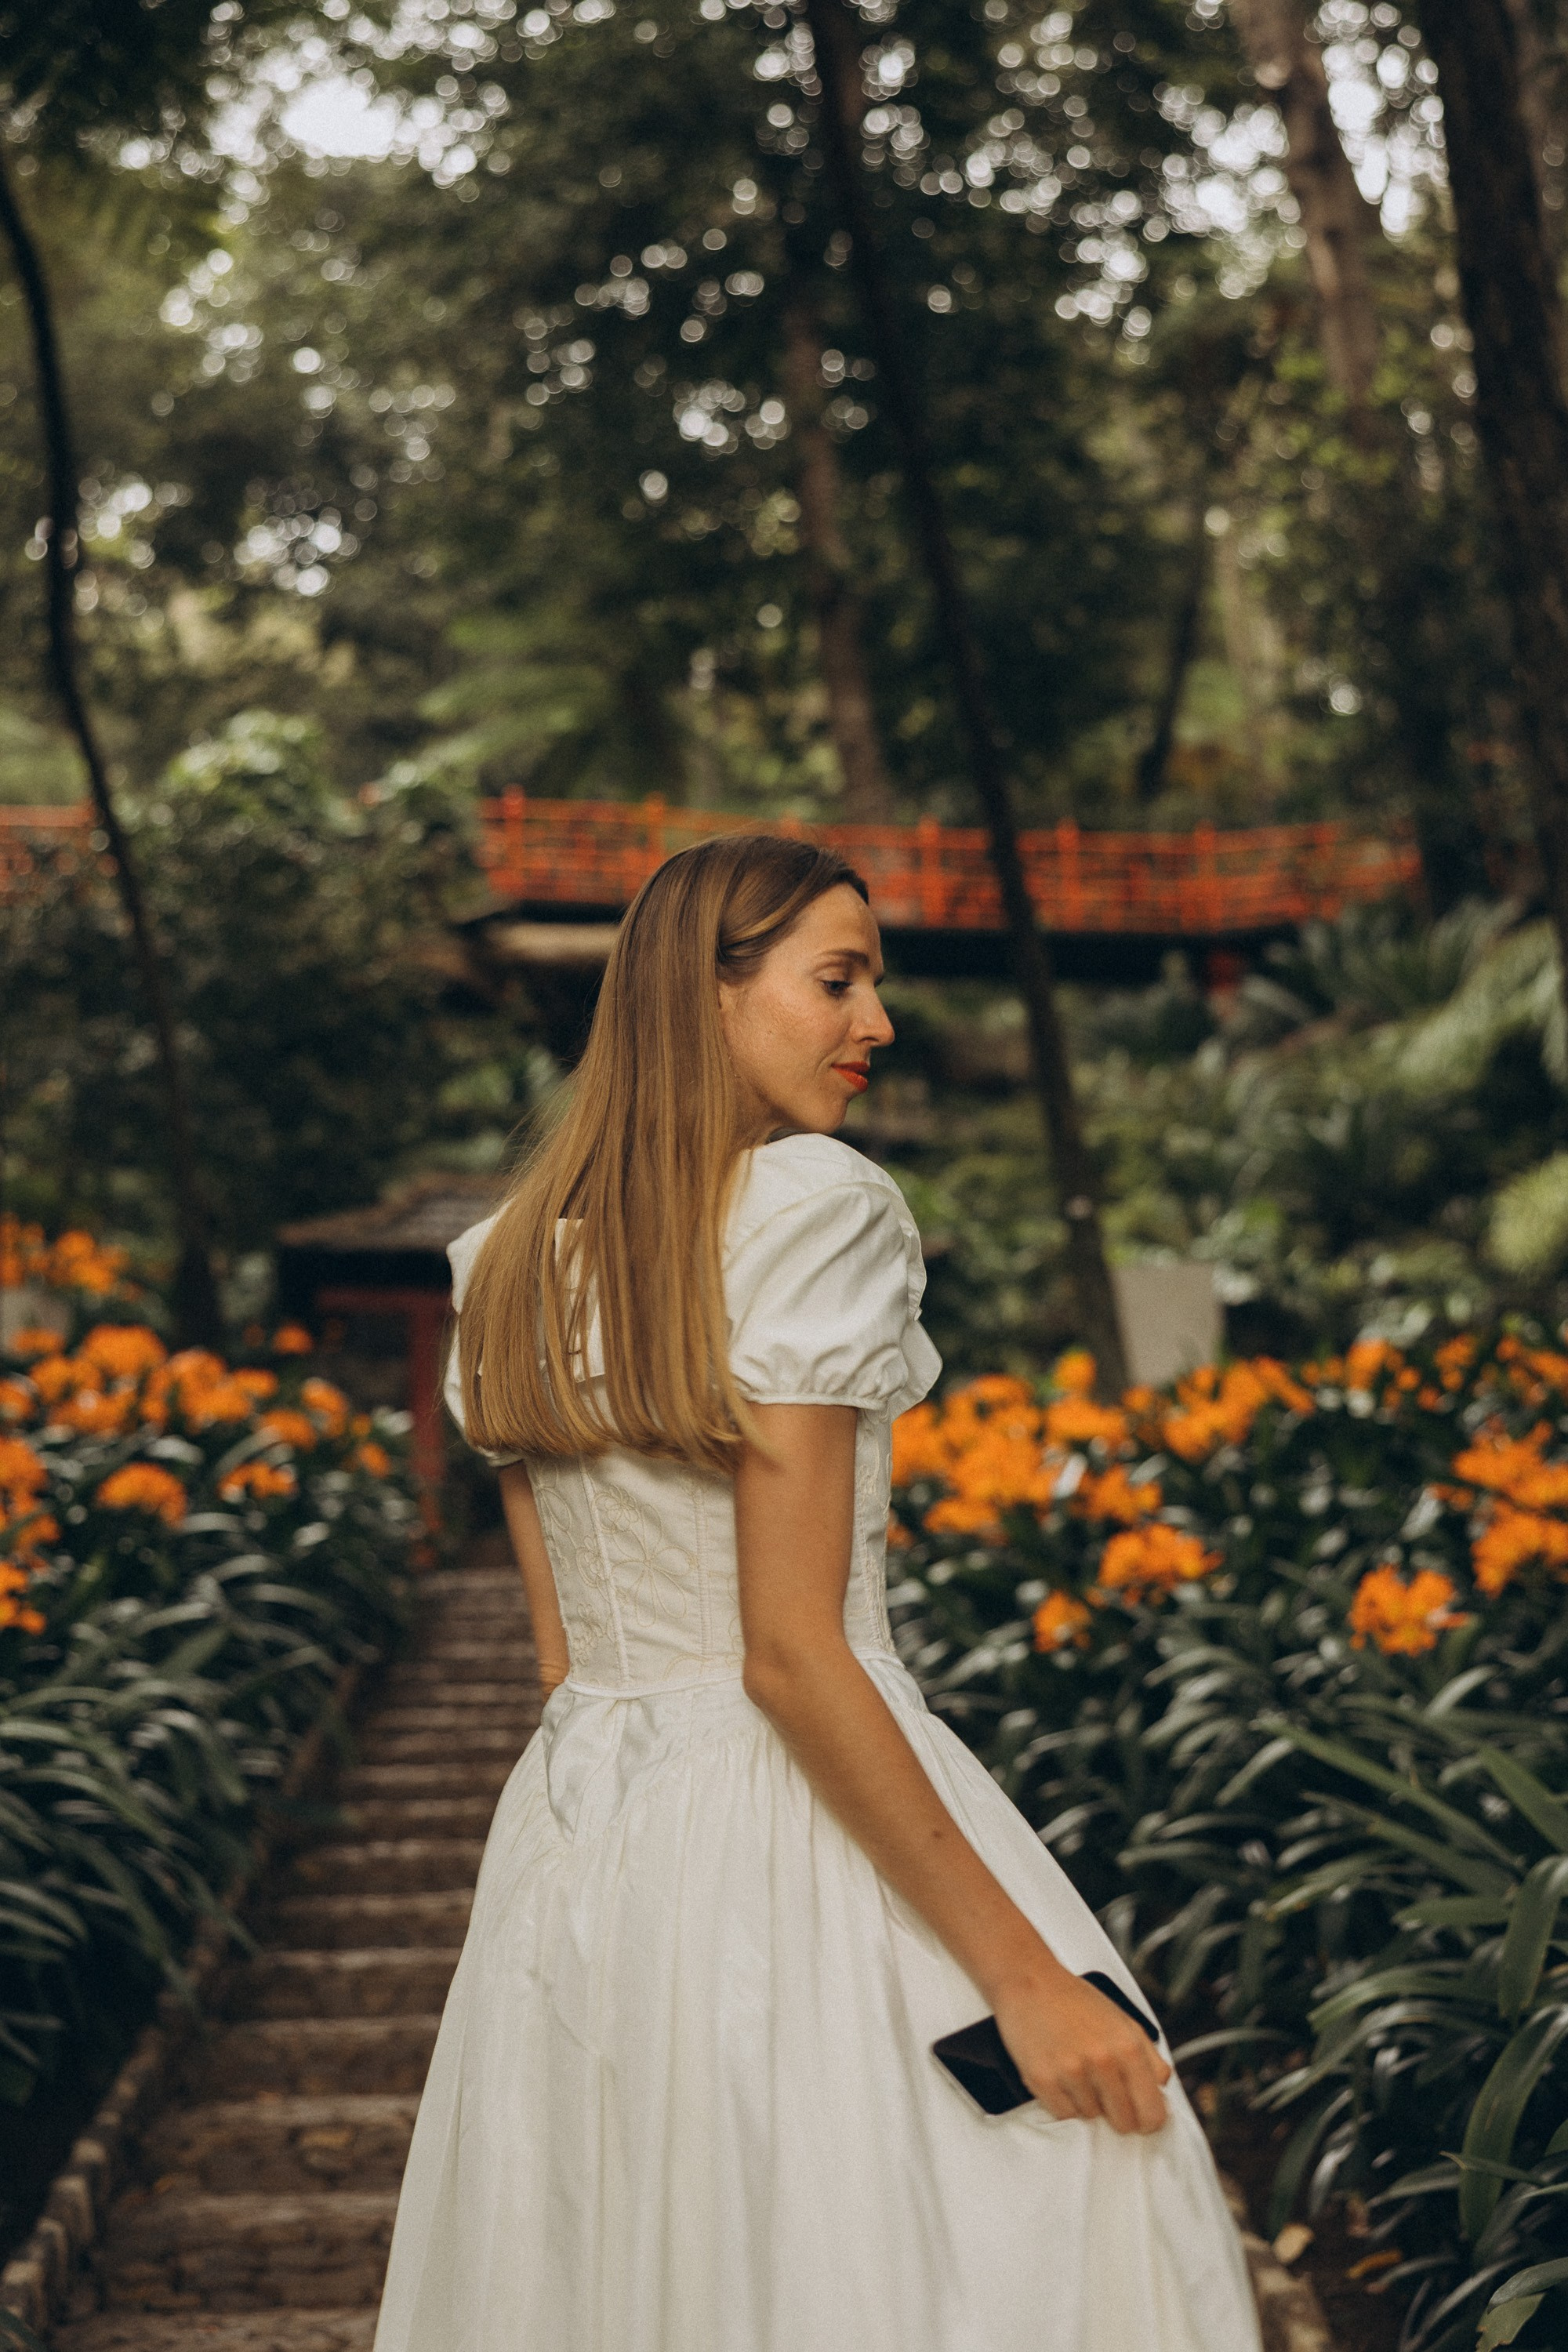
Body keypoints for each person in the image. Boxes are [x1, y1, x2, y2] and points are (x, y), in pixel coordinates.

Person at [373, 835, 1261, 2352]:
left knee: (624, 2263)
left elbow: (563, 1662)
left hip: (588, 1851)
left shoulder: (505, 1261)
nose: (877, 1022)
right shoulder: (811, 1207)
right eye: (837, 980)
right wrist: (1024, 1979)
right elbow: (787, 1656)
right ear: (706, 995)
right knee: (1024, 2210)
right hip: (791, 1819)